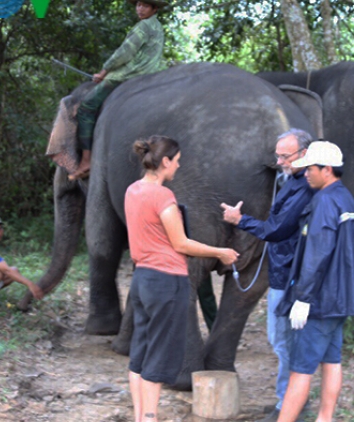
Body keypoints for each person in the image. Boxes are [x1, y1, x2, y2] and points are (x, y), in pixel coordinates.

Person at [125, 135, 239, 422]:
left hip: (141, 280)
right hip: (167, 282)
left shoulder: (132, 190)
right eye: (176, 161)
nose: (178, 166)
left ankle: (140, 417)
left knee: (139, 354)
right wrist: (220, 252)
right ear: (165, 162)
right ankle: (150, 417)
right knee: (159, 356)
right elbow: (181, 244)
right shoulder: (163, 196)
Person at [220, 128, 315, 421]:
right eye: (277, 155)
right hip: (280, 269)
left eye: (285, 156)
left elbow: (277, 229)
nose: (280, 161)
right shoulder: (292, 180)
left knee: (285, 340)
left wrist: (240, 221)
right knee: (280, 339)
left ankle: (291, 405)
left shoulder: (307, 187)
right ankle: (286, 400)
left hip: (292, 274)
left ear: (304, 154)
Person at [275, 141, 354, 422]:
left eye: (310, 169)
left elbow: (318, 252)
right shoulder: (347, 199)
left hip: (319, 301)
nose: (305, 174)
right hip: (340, 300)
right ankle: (325, 419)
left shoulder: (325, 201)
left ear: (327, 170)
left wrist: (303, 298)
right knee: (331, 361)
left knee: (300, 369)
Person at [70, 0, 169, 180]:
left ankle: (86, 160)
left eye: (145, 6)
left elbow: (125, 52)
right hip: (150, 75)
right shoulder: (158, 27)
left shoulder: (143, 26)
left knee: (86, 107)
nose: (140, 9)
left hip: (130, 74)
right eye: (138, 5)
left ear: (154, 9)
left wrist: (104, 71)